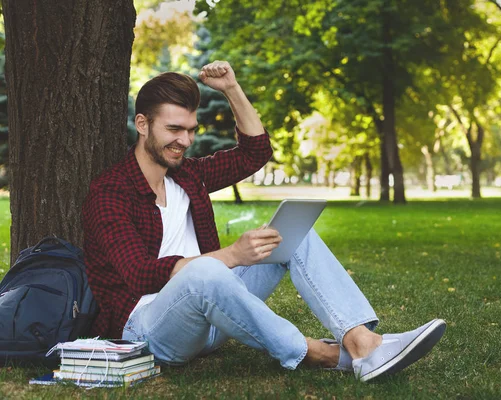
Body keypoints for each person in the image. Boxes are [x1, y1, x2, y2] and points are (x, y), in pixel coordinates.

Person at [82, 61, 446, 382]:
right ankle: (324, 354)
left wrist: (231, 89)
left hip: (213, 314)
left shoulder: (188, 176)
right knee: (206, 272)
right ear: (142, 124)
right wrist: (234, 255)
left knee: (290, 235)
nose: (186, 140)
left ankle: (362, 342)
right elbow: (141, 274)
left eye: (191, 130)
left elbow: (256, 152)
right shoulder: (109, 192)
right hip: (150, 330)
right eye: (174, 129)